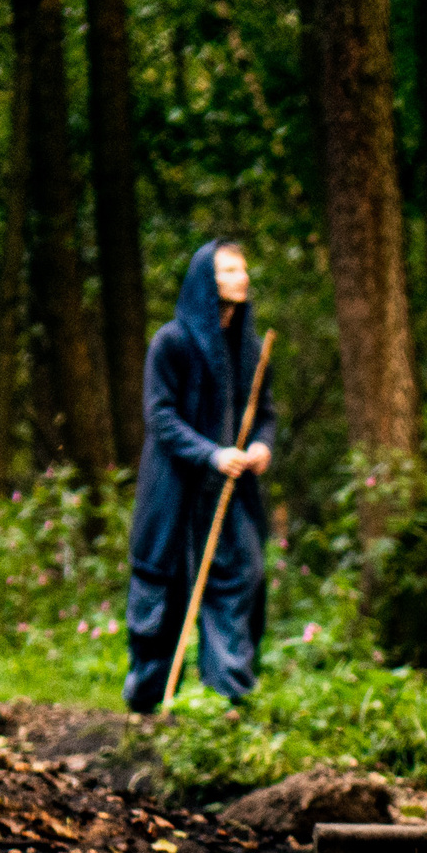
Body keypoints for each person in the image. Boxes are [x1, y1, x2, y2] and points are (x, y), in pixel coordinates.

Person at [124, 240, 277, 712]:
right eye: (230, 270)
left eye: (244, 269)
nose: (242, 278)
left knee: (240, 582)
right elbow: (161, 417)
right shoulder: (171, 342)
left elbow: (265, 412)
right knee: (161, 591)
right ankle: (148, 704)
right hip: (172, 492)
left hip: (230, 495)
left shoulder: (249, 349)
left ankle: (227, 701)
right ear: (205, 282)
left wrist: (261, 446)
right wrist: (211, 454)